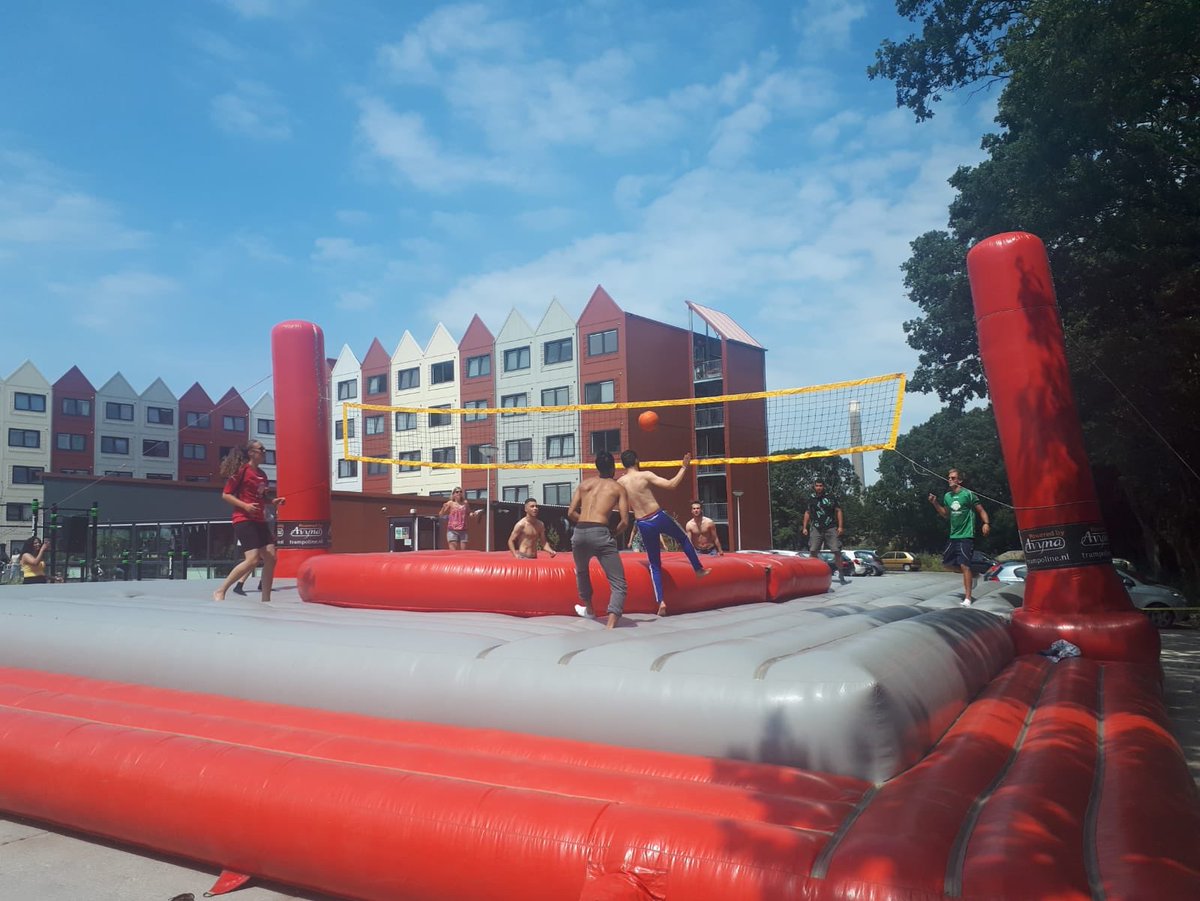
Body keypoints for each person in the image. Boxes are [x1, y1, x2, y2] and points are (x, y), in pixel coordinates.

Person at [619, 449, 710, 616]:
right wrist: (683, 467)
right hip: (658, 516)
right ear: (637, 460)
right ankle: (698, 569)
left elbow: (619, 504)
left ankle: (660, 602)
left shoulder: (621, 482)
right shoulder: (644, 475)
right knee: (683, 539)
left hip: (643, 523)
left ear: (623, 464)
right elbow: (671, 485)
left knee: (654, 564)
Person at [213, 440, 287, 602]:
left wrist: (273, 501)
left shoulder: (262, 475)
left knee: (271, 558)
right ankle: (221, 590)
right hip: (243, 519)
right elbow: (226, 494)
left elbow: (262, 496)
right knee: (252, 559)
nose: (264, 452)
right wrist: (245, 506)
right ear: (251, 453)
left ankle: (266, 599)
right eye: (261, 449)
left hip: (259, 520)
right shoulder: (241, 472)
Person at [568, 451, 631, 629]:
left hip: (579, 532)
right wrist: (612, 534)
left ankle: (589, 610)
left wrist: (585, 523)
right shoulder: (618, 488)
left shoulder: (584, 484)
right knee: (618, 583)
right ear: (613, 468)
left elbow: (571, 512)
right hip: (601, 532)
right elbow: (625, 522)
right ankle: (610, 626)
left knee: (581, 572)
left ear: (596, 467)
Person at [929, 468, 991, 606]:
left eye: (952, 477)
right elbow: (945, 514)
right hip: (953, 535)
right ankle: (973, 574)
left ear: (960, 480)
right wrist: (935, 503)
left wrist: (986, 523)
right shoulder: (947, 496)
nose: (949, 479)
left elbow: (981, 510)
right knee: (946, 564)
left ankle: (968, 598)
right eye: (949, 477)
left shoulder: (968, 495)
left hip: (966, 535)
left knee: (964, 565)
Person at [802, 480, 845, 585]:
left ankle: (841, 573)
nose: (819, 488)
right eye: (817, 486)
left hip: (830, 527)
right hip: (816, 527)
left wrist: (840, 526)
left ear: (824, 487)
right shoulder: (811, 499)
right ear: (814, 487)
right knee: (813, 551)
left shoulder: (830, 497)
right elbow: (807, 513)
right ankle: (812, 573)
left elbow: (838, 511)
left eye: (820, 486)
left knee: (836, 551)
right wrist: (804, 527)